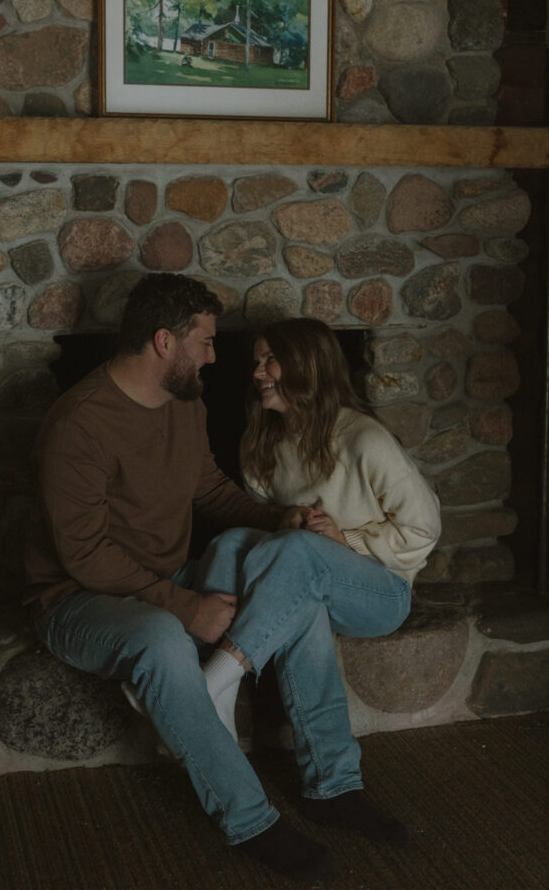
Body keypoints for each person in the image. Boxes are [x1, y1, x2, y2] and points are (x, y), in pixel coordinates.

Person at [24, 273, 337, 885]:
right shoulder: (79, 424)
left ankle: (335, 781)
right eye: (206, 342)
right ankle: (251, 820)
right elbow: (84, 554)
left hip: (164, 576)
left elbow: (209, 490)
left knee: (284, 569)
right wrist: (182, 606)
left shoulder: (184, 404)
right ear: (165, 342)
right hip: (76, 600)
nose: (216, 357)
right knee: (163, 639)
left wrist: (279, 520)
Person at [197, 316, 441, 850]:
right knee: (233, 542)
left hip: (379, 591)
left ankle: (217, 674)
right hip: (305, 584)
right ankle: (333, 787)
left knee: (298, 556)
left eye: (270, 360)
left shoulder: (362, 438)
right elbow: (268, 546)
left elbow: (424, 527)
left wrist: (346, 539)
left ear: (306, 367)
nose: (258, 371)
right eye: (257, 361)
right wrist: (283, 521)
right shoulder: (262, 442)